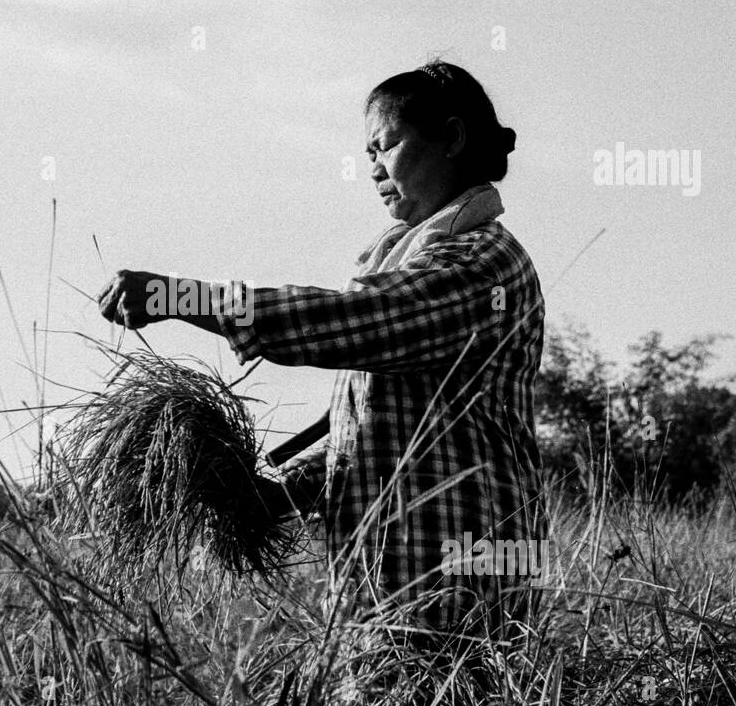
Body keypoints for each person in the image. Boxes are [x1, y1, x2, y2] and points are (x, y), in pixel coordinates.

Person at [97, 59, 546, 647]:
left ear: (453, 139)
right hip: (379, 586)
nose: (376, 169)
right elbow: (363, 443)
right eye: (368, 156)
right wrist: (269, 496)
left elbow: (353, 319)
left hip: (459, 579)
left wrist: (180, 295)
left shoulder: (483, 262)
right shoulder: (401, 259)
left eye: (386, 147)